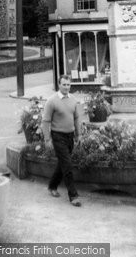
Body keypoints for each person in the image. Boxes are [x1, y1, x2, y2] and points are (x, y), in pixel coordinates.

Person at [41, 74, 81, 207]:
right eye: (64, 84)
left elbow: (76, 118)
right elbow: (45, 121)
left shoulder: (74, 100)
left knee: (63, 164)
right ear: (59, 85)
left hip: (70, 136)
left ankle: (52, 186)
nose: (66, 87)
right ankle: (73, 195)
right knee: (68, 165)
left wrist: (78, 134)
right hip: (58, 136)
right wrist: (47, 139)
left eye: (68, 84)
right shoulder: (52, 101)